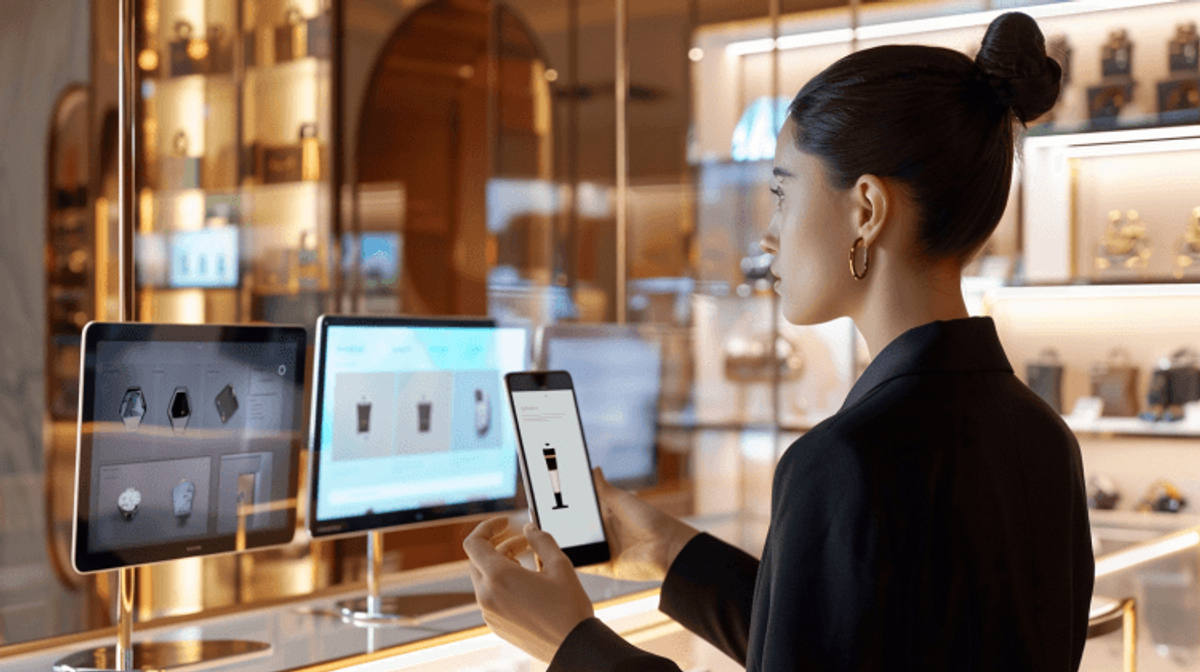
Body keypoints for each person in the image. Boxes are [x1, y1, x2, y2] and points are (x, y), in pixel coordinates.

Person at [464, 11, 1093, 671]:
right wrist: (671, 551)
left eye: (782, 196)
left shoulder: (845, 462)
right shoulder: (1045, 438)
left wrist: (570, 644)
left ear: (868, 210)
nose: (766, 236)